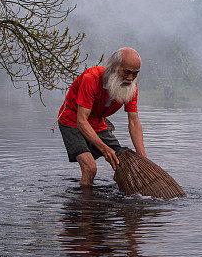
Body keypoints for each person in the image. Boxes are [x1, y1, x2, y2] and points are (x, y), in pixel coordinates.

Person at [57, 47, 147, 185]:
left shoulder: (131, 87)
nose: (130, 78)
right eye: (126, 72)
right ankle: (86, 204)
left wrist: (142, 157)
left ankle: (119, 197)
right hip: (72, 120)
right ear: (114, 67)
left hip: (97, 122)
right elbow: (81, 121)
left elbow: (133, 121)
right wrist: (104, 148)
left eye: (135, 74)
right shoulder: (91, 78)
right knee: (90, 168)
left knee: (121, 164)